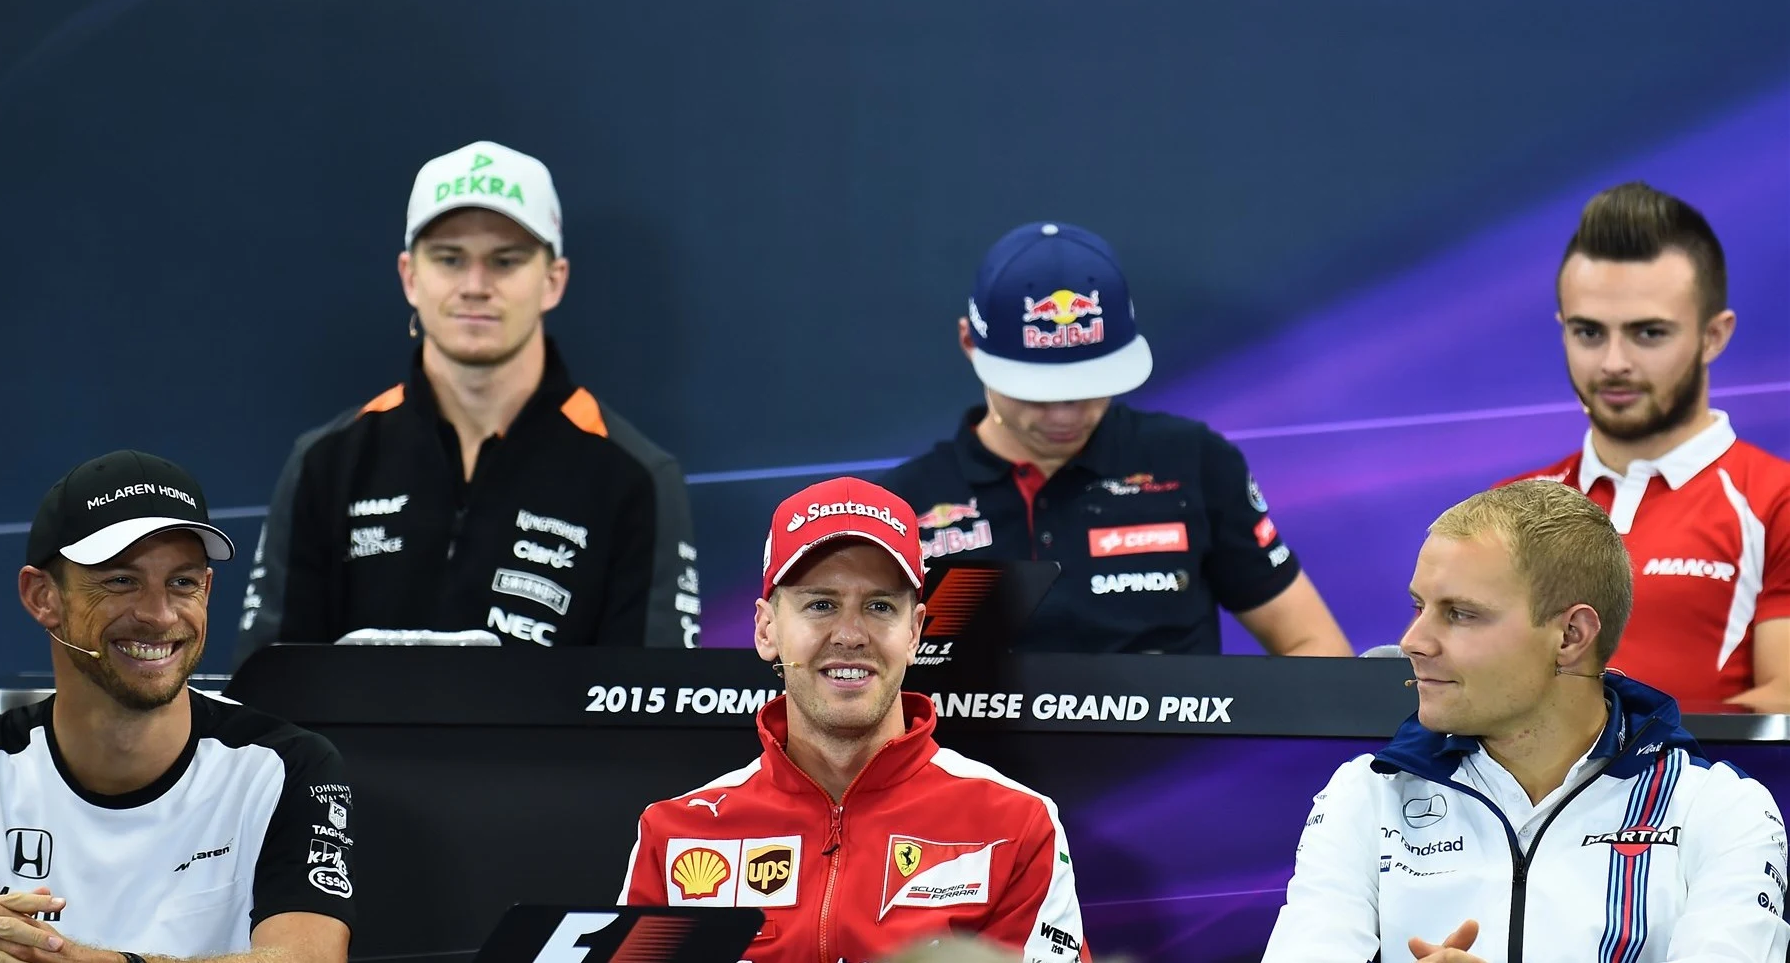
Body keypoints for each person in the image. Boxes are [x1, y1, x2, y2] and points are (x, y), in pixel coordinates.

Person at [1262, 479, 1787, 961]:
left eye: (1460, 614)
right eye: (1420, 606)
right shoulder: (1366, 795)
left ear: (1570, 637)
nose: (1413, 642)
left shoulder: (1719, 812)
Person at [234, 140, 699, 663]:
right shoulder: (327, 461)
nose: (475, 286)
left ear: (553, 280)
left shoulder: (634, 477)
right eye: (450, 258)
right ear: (411, 276)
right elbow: (267, 694)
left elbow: (650, 709)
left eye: (505, 260)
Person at [0, 451, 355, 963]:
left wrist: (75, 960)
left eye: (182, 582)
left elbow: (308, 959)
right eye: (120, 580)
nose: (158, 615)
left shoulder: (285, 767)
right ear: (42, 596)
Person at [618, 478, 1089, 963]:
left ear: (914, 633)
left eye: (879, 606)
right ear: (766, 629)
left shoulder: (1015, 825)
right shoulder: (675, 833)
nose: (849, 634)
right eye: (820, 605)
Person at [879, 221, 1352, 656]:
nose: (1064, 413)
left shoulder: (1194, 462)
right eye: (1036, 390)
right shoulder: (901, 506)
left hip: (1181, 750)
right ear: (969, 343)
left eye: (1089, 384)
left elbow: (1314, 644)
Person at [1500, 182, 1789, 712]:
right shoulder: (1505, 510)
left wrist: (1618, 772)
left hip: (1719, 793)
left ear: (1714, 336)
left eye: (1648, 333)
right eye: (1589, 332)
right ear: (1562, 329)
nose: (1613, 362)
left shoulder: (1777, 502)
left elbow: (1785, 702)